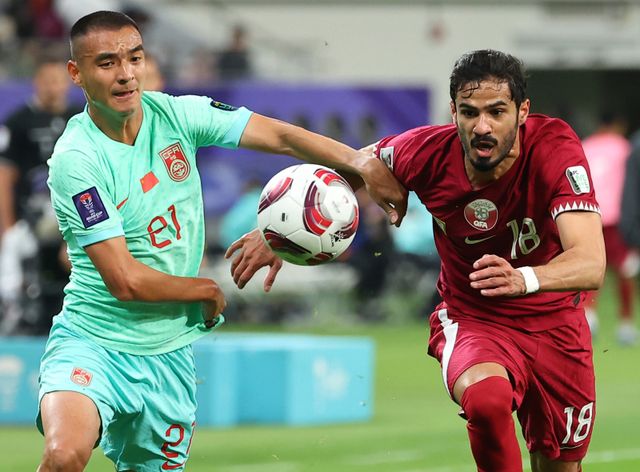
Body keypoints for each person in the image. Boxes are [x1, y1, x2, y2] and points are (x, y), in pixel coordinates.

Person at [36, 10, 405, 472]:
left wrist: (360, 163)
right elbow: (124, 280)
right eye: (107, 63)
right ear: (77, 73)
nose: (126, 74)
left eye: (135, 58)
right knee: (64, 454)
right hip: (94, 341)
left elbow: (282, 136)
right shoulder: (77, 159)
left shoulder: (177, 115)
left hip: (169, 354)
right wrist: (205, 289)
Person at [228, 49, 606, 472]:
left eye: (497, 112)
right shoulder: (425, 153)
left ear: (522, 112)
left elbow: (590, 262)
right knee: (487, 401)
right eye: (469, 112)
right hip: (476, 318)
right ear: (453, 112)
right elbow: (355, 168)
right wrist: (280, 229)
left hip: (556, 324)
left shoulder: (554, 148)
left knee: (560, 465)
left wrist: (523, 279)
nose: (482, 126)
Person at [0, 58, 81, 335]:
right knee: (14, 263)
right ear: (36, 83)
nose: (53, 87)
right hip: (32, 213)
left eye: (58, 81)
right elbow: (5, 176)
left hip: (74, 209)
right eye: (47, 81)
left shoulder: (80, 119)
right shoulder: (18, 122)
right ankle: (15, 316)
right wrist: (7, 226)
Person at [581, 111, 637, 345]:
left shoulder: (586, 145)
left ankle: (589, 315)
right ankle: (625, 323)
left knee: (592, 267)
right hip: (616, 217)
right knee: (625, 269)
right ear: (617, 124)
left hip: (590, 214)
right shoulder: (623, 147)